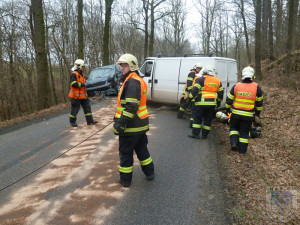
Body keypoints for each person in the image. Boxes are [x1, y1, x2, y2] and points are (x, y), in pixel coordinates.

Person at [113, 53, 154, 188]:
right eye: (121, 65)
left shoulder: (132, 82)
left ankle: (125, 180)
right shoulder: (136, 79)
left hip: (130, 127)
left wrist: (121, 122)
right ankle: (150, 173)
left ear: (132, 65)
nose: (122, 68)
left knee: (126, 153)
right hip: (140, 125)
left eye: (125, 65)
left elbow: (131, 106)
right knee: (142, 150)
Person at [225, 66, 263, 154]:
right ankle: (242, 151)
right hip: (248, 115)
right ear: (253, 76)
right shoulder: (257, 87)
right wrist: (257, 113)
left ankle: (234, 143)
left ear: (243, 75)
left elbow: (229, 99)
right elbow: (259, 103)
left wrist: (227, 109)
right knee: (244, 132)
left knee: (234, 128)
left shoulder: (236, 86)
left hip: (235, 114)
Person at [188, 65, 224, 139]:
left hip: (201, 103)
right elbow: (221, 93)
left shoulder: (201, 79)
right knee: (208, 120)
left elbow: (195, 90)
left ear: (205, 71)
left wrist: (190, 97)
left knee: (198, 119)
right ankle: (204, 135)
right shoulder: (217, 80)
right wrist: (218, 102)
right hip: (212, 104)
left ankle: (196, 134)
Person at [69, 59, 98, 127]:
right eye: (83, 66)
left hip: (83, 96)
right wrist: (83, 85)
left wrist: (88, 84)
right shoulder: (74, 74)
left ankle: (90, 121)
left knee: (87, 109)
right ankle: (72, 122)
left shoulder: (81, 74)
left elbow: (84, 81)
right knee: (74, 110)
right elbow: (73, 84)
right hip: (76, 97)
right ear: (79, 66)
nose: (83, 68)